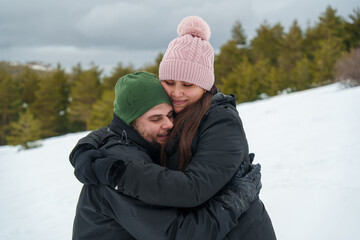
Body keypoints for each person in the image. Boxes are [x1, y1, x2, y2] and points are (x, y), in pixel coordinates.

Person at [71, 16, 276, 239]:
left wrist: (118, 174)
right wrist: (88, 147)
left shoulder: (221, 122)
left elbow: (193, 189)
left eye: (187, 85)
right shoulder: (179, 111)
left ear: (205, 85)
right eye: (169, 83)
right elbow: (130, 123)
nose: (177, 93)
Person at [71, 71, 262, 239]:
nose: (169, 125)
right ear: (130, 123)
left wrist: (85, 146)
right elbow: (180, 234)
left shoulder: (140, 143)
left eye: (170, 115)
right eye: (156, 119)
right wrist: (237, 198)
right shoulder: (121, 164)